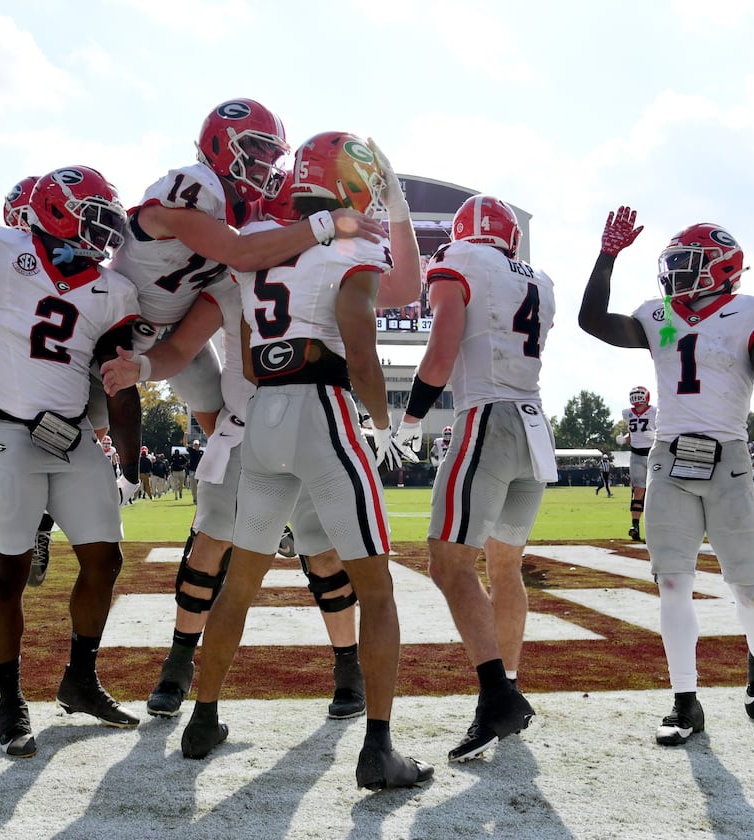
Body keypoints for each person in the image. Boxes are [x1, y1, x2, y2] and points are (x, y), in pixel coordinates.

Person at [175, 131, 431, 790]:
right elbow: (360, 340)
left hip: (264, 413)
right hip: (324, 411)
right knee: (377, 590)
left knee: (240, 581)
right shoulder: (350, 243)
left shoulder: (263, 236)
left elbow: (244, 339)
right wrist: (381, 423)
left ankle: (203, 717)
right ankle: (378, 749)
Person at [0, 165, 143, 759]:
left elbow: (118, 381)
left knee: (104, 558)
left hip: (69, 438)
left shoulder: (111, 289)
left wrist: (131, 464)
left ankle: (76, 678)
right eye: (92, 216)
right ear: (56, 211)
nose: (103, 233)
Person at [578, 207, 754, 745]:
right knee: (674, 585)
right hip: (668, 460)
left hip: (728, 459)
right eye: (675, 262)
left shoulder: (753, 310)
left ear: (723, 266)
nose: (678, 272)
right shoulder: (658, 315)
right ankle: (686, 702)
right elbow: (592, 322)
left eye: (690, 262)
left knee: (750, 592)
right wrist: (607, 255)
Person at [110, 99, 383, 437]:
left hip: (176, 324)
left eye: (273, 153)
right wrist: (326, 223)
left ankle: (223, 462)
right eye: (259, 147)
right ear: (221, 144)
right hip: (115, 320)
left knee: (215, 411)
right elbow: (240, 252)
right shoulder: (194, 187)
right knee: (92, 416)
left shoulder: (244, 209)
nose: (268, 162)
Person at [390, 194, 551, 762]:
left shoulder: (460, 260)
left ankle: (497, 697)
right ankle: (506, 684)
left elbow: (443, 346)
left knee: (448, 561)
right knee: (505, 565)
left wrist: (409, 418)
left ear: (461, 234)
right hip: (534, 425)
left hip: (486, 417)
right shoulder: (539, 278)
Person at [620, 386, 658, 541]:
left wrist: (657, 434)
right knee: (638, 491)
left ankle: (658, 527)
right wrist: (625, 439)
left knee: (657, 490)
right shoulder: (627, 413)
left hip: (654, 453)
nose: (636, 399)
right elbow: (634, 433)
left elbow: (667, 429)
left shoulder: (655, 411)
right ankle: (635, 525)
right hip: (636, 454)